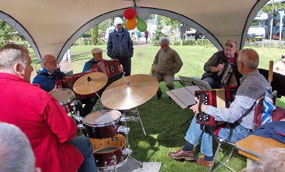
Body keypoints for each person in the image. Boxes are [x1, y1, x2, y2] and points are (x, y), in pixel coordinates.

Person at [0, 44, 97, 172]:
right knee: (85, 143)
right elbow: (67, 134)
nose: (31, 69)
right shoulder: (37, 96)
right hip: (42, 163)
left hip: (7, 164)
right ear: (18, 68)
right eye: (29, 64)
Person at [168, 49, 269, 167]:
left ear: (240, 65)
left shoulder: (248, 85)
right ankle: (201, 155)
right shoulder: (260, 78)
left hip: (244, 132)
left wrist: (204, 108)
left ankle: (193, 151)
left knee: (204, 117)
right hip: (255, 125)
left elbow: (231, 116)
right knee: (206, 116)